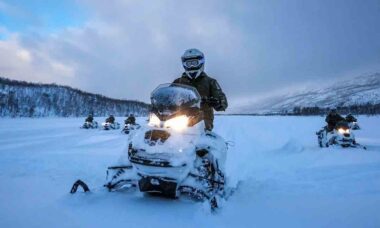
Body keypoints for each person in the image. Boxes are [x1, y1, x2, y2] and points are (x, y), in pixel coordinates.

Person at [173, 48, 228, 131]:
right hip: (179, 122)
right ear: (184, 64)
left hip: (203, 123)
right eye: (189, 63)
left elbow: (223, 101)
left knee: (206, 142)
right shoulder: (177, 82)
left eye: (194, 63)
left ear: (201, 62)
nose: (191, 66)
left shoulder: (211, 82)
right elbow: (168, 97)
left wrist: (218, 102)